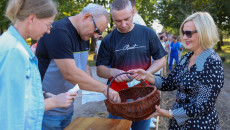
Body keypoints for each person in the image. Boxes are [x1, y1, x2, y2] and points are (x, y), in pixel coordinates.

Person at [129, 12, 224, 129]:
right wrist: (147, 76)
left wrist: (169, 114)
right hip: (178, 125)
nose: (184, 37)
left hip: (199, 125)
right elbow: (170, 82)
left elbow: (202, 105)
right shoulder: (187, 58)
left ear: (204, 33)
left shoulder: (212, 62)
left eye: (189, 33)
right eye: (184, 33)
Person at [36, 3, 120, 129]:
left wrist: (91, 85)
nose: (96, 36)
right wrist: (105, 89)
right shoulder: (59, 32)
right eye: (96, 30)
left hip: (67, 109)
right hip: (47, 111)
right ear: (86, 16)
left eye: (99, 34)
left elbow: (83, 63)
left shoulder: (84, 35)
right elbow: (70, 73)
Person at [0, 0, 77, 129]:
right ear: (32, 19)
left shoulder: (14, 45)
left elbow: (20, 90)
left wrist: (43, 94)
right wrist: (53, 102)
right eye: (48, 24)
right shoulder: (15, 51)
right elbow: (13, 110)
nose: (48, 31)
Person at [96, 0, 167, 129]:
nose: (123, 24)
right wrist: (113, 72)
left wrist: (147, 73)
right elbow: (100, 70)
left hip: (144, 96)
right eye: (118, 21)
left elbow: (161, 60)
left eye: (126, 19)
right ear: (112, 17)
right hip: (117, 98)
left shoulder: (148, 33)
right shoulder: (108, 40)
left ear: (133, 12)